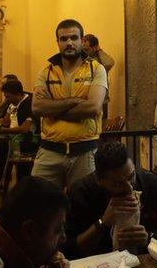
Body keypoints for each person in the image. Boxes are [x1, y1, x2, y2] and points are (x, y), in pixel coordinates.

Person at [63, 140, 157, 259]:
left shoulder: (152, 185)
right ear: (99, 180)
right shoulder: (81, 192)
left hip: (147, 263)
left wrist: (149, 237)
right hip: (99, 265)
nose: (129, 188)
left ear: (133, 164)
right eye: (118, 184)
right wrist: (102, 223)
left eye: (131, 176)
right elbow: (68, 250)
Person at [32, 19, 107, 189]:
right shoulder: (46, 72)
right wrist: (73, 101)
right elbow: (37, 108)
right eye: (64, 39)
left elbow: (92, 107)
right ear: (57, 42)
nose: (69, 43)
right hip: (49, 152)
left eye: (74, 37)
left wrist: (52, 108)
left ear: (82, 40)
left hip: (85, 152)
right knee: (39, 203)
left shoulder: (96, 70)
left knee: (84, 208)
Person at [83, 34, 116, 119]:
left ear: (94, 47)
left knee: (101, 128)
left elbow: (109, 63)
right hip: (84, 101)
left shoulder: (100, 61)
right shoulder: (81, 60)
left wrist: (99, 50)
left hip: (101, 101)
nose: (84, 52)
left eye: (86, 49)